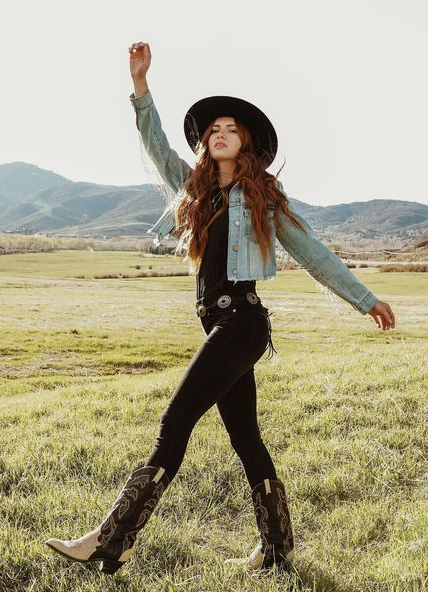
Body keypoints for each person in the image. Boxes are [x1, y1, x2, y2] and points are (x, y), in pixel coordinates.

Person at [45, 41, 396, 575]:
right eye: (212, 131)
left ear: (246, 141)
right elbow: (159, 147)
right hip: (220, 324)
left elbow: (314, 253)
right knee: (246, 438)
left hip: (242, 323)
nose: (219, 134)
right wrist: (141, 87)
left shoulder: (265, 198)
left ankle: (108, 540)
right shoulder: (194, 191)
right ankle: (278, 549)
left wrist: (366, 299)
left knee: (174, 424)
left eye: (229, 129)